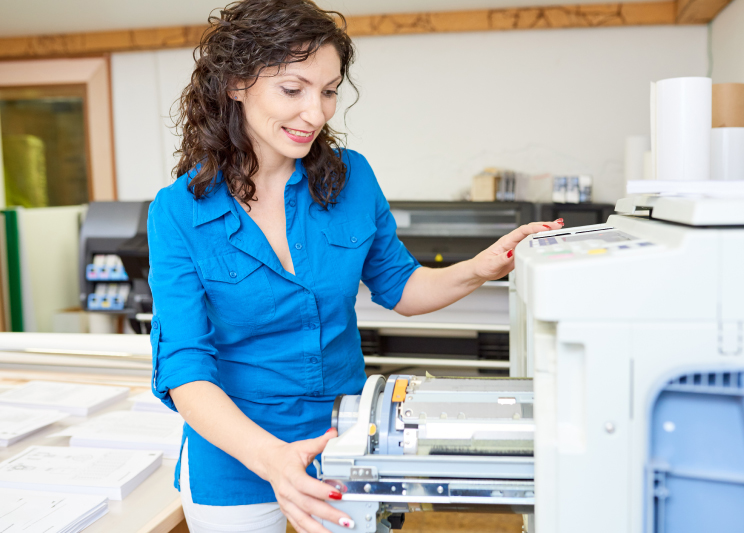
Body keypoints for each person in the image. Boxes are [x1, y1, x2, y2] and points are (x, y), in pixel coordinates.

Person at [147, 1, 563, 532]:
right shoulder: (177, 211)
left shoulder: (350, 179)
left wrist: (480, 267)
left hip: (347, 437)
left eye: (328, 91)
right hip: (236, 454)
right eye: (293, 90)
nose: (317, 114)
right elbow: (184, 368)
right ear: (235, 83)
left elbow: (401, 286)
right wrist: (271, 459)